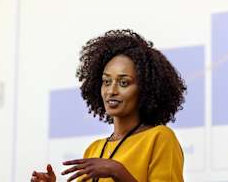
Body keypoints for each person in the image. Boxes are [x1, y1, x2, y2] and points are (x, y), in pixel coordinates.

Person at [31, 29, 187, 182]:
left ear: (146, 88)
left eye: (124, 83)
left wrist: (117, 171)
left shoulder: (160, 138)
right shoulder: (94, 149)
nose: (111, 91)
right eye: (106, 82)